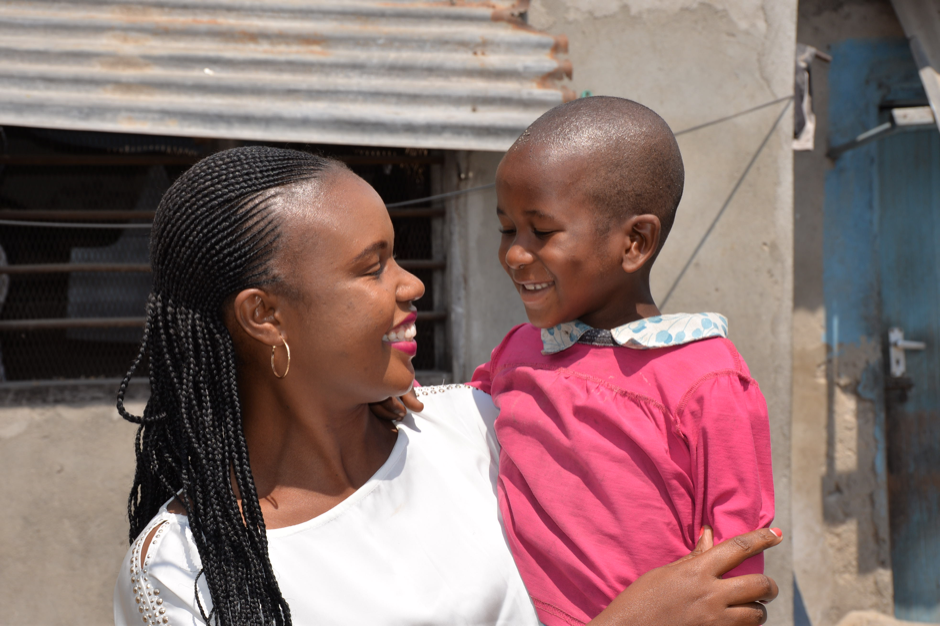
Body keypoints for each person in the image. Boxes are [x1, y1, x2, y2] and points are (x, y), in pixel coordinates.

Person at [114, 146, 781, 626]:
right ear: (265, 316)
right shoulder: (187, 567)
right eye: (372, 268)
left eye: (398, 255)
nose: (411, 284)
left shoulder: (485, 427)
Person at [466, 97, 776, 626]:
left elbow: (733, 572)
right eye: (506, 229)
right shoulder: (519, 349)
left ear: (635, 241)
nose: (515, 254)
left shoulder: (706, 380)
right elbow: (463, 425)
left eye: (541, 231)